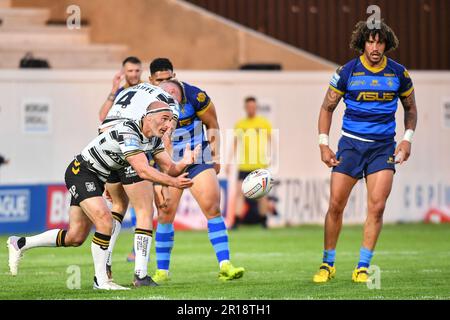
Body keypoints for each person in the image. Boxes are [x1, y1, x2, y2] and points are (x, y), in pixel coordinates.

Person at [7, 101, 197, 290]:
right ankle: (101, 280)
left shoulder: (154, 139)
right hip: (81, 172)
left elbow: (170, 168)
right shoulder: (129, 131)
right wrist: (173, 182)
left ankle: (20, 243)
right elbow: (143, 170)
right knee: (105, 221)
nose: (168, 125)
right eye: (164, 119)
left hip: (97, 177)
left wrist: (184, 163)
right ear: (148, 117)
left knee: (76, 237)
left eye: (171, 120)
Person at [313, 20, 417, 283]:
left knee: (377, 207)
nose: (375, 47)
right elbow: (327, 108)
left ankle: (362, 266)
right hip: (350, 145)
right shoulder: (347, 72)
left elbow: (411, 110)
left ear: (386, 44)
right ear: (362, 43)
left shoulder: (399, 74)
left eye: (379, 41)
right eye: (370, 41)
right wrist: (324, 144)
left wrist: (407, 139)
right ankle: (328, 264)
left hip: (382, 147)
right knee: (336, 205)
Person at [147, 58, 245, 283]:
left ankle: (225, 265)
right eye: (159, 80)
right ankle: (162, 271)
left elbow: (213, 123)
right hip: (167, 162)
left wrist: (216, 155)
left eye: (168, 78)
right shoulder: (145, 103)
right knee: (164, 213)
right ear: (151, 80)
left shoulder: (194, 95)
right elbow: (148, 143)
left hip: (199, 157)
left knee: (212, 206)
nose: (165, 84)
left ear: (175, 75)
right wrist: (158, 179)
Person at [97, 80, 183, 286]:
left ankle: (105, 264)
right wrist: (163, 183)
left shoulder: (131, 89)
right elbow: (165, 138)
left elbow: (105, 119)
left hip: (106, 145)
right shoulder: (168, 102)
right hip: (129, 143)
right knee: (145, 211)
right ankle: (141, 274)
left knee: (117, 206)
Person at [226, 96, 273, 228]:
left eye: (253, 106)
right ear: (245, 108)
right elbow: (235, 144)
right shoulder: (240, 124)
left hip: (259, 164)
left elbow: (271, 142)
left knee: (262, 194)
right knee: (240, 192)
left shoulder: (264, 123)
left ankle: (264, 220)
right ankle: (236, 220)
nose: (251, 109)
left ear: (256, 107)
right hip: (244, 164)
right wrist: (229, 162)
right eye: (249, 107)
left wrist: (270, 157)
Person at [99, 56, 143, 122]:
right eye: (130, 71)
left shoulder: (149, 89)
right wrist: (114, 89)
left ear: (141, 71)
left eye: (137, 71)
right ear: (123, 72)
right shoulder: (120, 92)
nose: (134, 74)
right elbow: (103, 117)